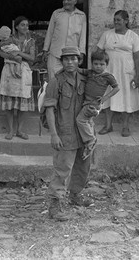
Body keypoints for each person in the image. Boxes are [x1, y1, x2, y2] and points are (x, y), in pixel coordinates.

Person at [44, 46, 98, 221]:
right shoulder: (56, 82)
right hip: (65, 132)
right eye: (66, 59)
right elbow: (50, 110)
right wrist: (53, 134)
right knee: (62, 170)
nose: (70, 62)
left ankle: (75, 195)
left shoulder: (86, 79)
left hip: (84, 131)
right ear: (62, 61)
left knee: (83, 167)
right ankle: (54, 205)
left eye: (73, 58)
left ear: (79, 60)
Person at [95, 10, 139, 137]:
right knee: (107, 97)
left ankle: (125, 126)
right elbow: (98, 52)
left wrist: (138, 76)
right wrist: (97, 71)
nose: (116, 22)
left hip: (126, 73)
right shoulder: (107, 35)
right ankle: (108, 125)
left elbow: (137, 58)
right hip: (109, 71)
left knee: (126, 98)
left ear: (126, 21)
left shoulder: (133, 36)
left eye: (119, 20)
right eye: (115, 19)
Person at [0, 16, 35, 140]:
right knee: (9, 102)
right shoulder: (9, 39)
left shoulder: (30, 41)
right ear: (17, 27)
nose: (26, 27)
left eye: (27, 25)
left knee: (23, 100)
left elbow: (32, 58)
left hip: (24, 71)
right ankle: (11, 130)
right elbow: (0, 52)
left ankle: (20, 130)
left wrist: (18, 53)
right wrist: (13, 57)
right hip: (9, 70)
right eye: (23, 25)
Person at [76, 50, 119, 159]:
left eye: (101, 64)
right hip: (87, 102)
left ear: (106, 65)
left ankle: (90, 140)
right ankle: (89, 144)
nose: (98, 67)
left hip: (93, 103)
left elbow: (116, 88)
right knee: (88, 122)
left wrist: (105, 97)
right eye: (96, 64)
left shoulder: (108, 76)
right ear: (92, 63)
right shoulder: (90, 72)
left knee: (80, 120)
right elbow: (78, 70)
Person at [43, 0, 87, 80]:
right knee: (54, 80)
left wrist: (82, 52)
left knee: (70, 80)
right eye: (64, 0)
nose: (65, 2)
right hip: (55, 53)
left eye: (68, 0)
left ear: (75, 1)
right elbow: (50, 32)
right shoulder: (57, 13)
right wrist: (45, 50)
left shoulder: (81, 16)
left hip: (72, 54)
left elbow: (83, 36)